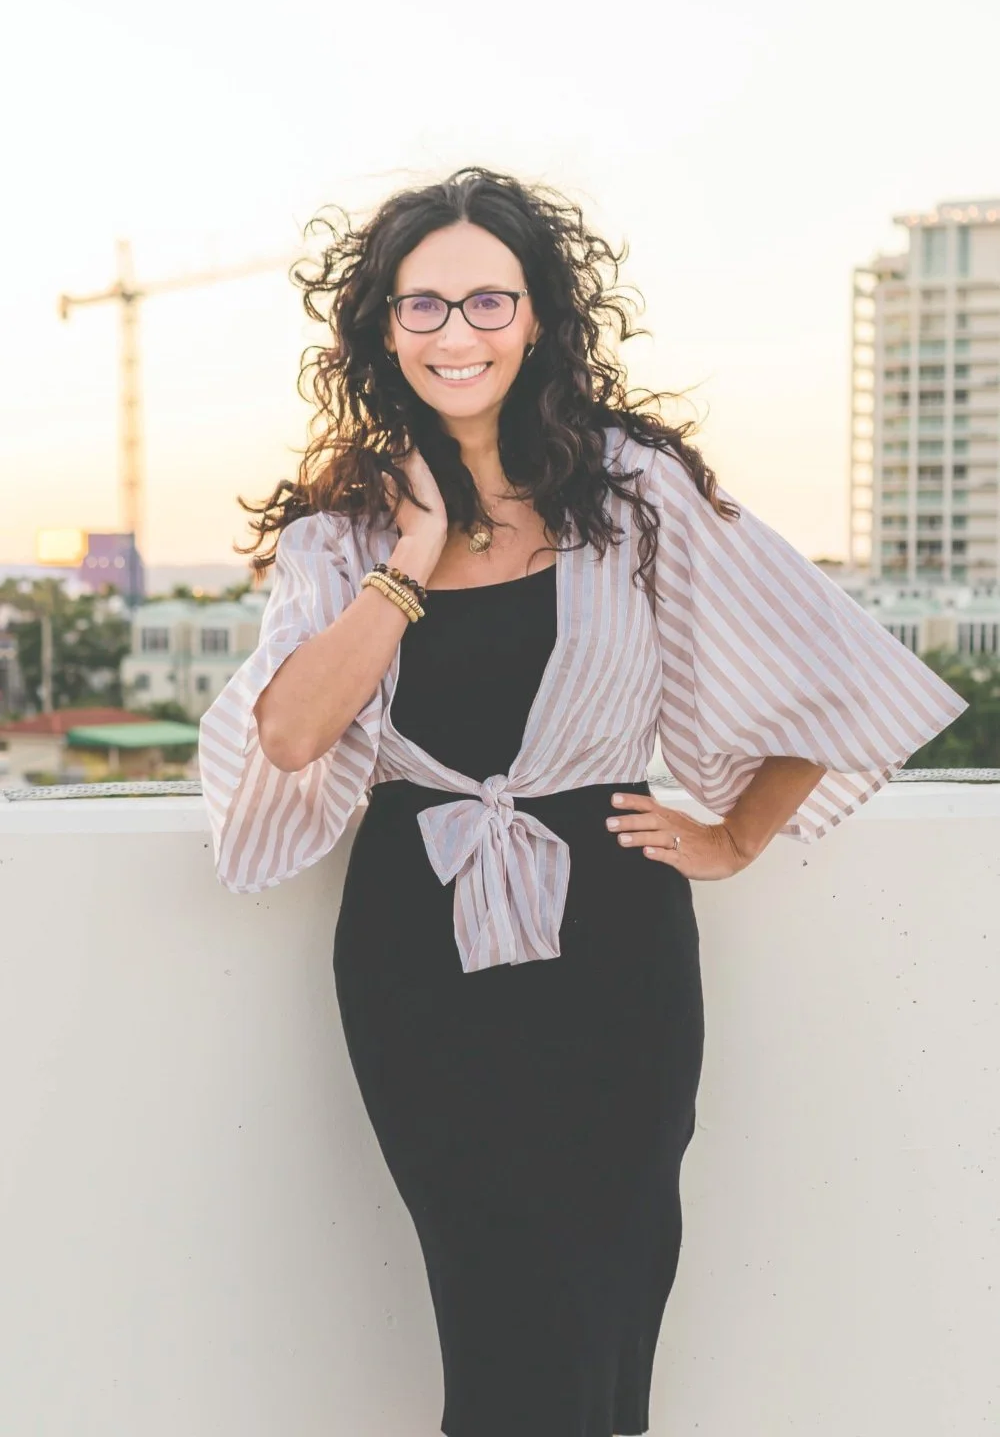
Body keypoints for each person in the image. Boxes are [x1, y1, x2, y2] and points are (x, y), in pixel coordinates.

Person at [197, 165, 968, 1437]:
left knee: (609, 1290)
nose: (456, 331)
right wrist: (412, 552)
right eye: (423, 304)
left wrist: (735, 834)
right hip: (418, 948)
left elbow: (832, 667)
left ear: (539, 317)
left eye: (487, 301)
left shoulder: (633, 488)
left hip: (614, 940)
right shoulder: (345, 526)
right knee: (493, 1303)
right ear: (384, 329)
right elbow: (290, 733)